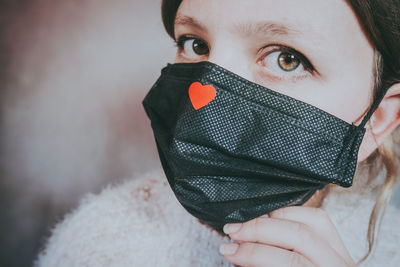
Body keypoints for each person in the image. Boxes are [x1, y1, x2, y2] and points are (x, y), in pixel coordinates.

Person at [35, 0, 400, 266]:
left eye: (286, 58)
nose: (206, 101)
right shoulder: (101, 245)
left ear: (378, 118)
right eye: (195, 45)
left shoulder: (392, 249)